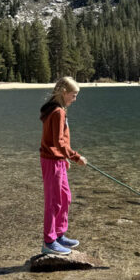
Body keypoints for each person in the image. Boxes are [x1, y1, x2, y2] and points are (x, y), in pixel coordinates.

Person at [38, 76, 88, 255]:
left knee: (65, 197)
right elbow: (59, 142)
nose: (75, 99)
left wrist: (64, 158)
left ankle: (59, 234)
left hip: (57, 159)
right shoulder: (57, 112)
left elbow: (56, 142)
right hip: (51, 161)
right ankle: (49, 241)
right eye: (73, 95)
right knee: (53, 201)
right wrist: (75, 157)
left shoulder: (56, 109)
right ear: (64, 93)